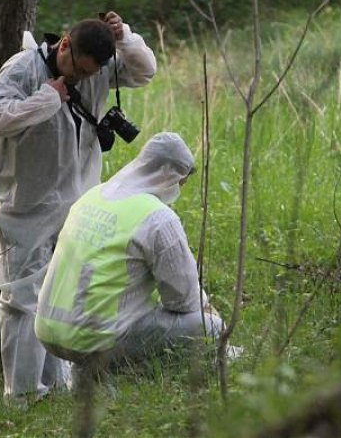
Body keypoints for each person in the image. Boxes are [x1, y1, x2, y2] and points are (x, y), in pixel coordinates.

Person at [0, 12, 157, 400]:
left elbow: (145, 71)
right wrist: (47, 99)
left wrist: (124, 36)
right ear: (64, 44)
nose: (82, 78)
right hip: (21, 205)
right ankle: (23, 396)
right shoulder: (24, 68)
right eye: (77, 69)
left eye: (91, 72)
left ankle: (56, 386)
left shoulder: (95, 72)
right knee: (21, 300)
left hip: (73, 202)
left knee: (59, 294)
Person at [34, 132, 223, 368]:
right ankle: (154, 378)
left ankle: (88, 380)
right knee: (211, 327)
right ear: (169, 175)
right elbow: (183, 300)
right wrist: (205, 305)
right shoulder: (158, 218)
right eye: (180, 182)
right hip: (95, 339)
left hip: (48, 330)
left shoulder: (92, 197)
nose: (179, 189)